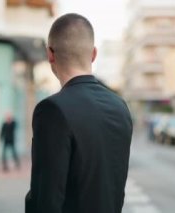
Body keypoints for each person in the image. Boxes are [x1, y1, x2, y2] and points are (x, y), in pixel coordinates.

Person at [25, 13, 133, 213]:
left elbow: (45, 200)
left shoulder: (51, 110)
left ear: (50, 55)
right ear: (93, 54)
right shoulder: (120, 107)